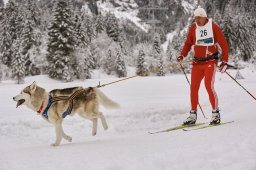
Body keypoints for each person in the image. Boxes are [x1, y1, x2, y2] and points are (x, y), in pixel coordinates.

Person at [176, 7, 229, 125]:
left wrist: (224, 61)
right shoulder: (193, 28)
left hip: (210, 62)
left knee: (208, 86)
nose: (197, 20)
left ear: (204, 17)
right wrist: (182, 55)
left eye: (199, 18)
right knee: (193, 88)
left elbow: (224, 44)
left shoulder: (212, 26)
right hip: (197, 63)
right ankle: (192, 115)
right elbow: (188, 43)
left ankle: (215, 114)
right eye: (195, 18)